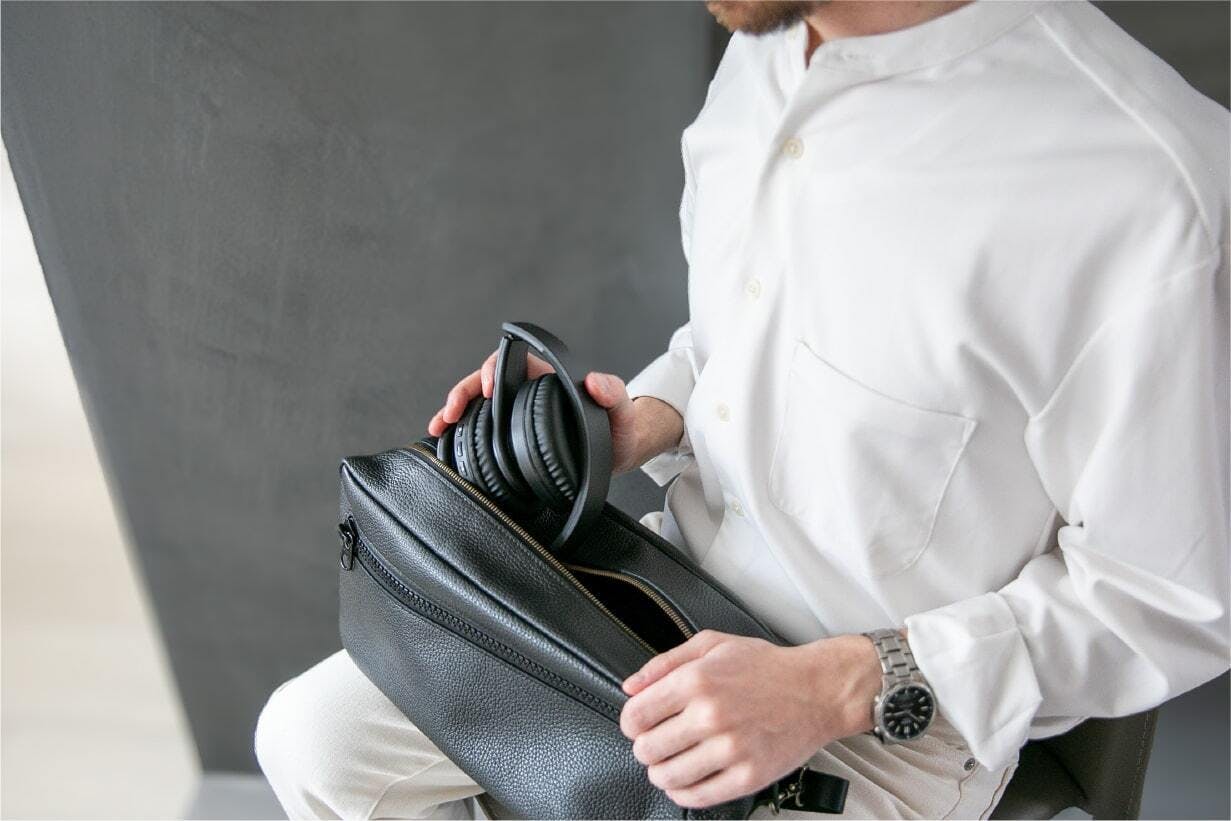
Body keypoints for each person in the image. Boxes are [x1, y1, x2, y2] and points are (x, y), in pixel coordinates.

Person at [254, 1, 1230, 818]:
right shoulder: (766, 47)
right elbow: (733, 333)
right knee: (313, 741)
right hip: (655, 590)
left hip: (874, 725)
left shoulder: (1144, 186)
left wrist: (835, 683)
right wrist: (638, 419)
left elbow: (1170, 598)